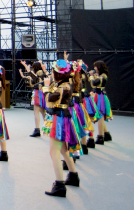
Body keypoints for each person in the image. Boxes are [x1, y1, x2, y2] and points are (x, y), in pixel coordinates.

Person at [41, 59, 81, 197]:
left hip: (59, 120)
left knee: (54, 152)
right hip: (62, 118)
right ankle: (73, 175)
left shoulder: (63, 87)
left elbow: (50, 99)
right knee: (63, 149)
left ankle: (59, 185)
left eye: (52, 71)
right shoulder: (63, 84)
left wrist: (46, 87)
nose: (51, 73)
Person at [19, 60, 47, 137]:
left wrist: (25, 66)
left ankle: (37, 129)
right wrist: (25, 66)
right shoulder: (42, 72)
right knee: (42, 111)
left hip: (38, 92)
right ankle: (48, 127)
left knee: (36, 111)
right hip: (42, 92)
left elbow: (32, 75)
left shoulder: (39, 73)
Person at [89, 60, 112, 145]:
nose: (94, 68)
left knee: (100, 116)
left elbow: (94, 84)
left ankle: (100, 137)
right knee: (100, 116)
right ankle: (106, 134)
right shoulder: (99, 75)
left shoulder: (103, 76)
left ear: (99, 67)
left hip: (100, 96)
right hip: (96, 95)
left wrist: (91, 76)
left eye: (95, 67)